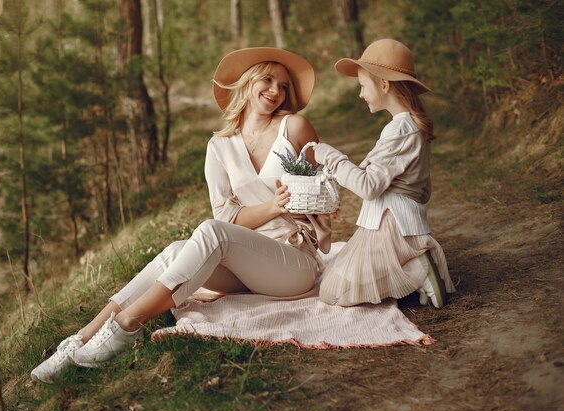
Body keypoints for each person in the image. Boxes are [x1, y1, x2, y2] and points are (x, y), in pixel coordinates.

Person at [31, 47, 330, 384]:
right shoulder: (219, 147)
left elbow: (325, 189)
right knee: (175, 251)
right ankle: (80, 339)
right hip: (247, 264)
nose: (276, 91)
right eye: (268, 79)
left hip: (292, 263)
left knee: (210, 232)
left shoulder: (295, 126)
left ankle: (129, 324)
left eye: (285, 86)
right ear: (247, 83)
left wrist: (310, 206)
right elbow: (227, 216)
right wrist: (271, 206)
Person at [313, 38, 455, 308]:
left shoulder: (399, 129)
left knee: (333, 292)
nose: (360, 94)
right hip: (400, 220)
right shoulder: (410, 126)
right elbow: (423, 190)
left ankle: (418, 269)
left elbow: (369, 187)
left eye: (363, 86)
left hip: (390, 223)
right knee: (335, 279)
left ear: (384, 84)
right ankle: (411, 264)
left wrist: (330, 157)